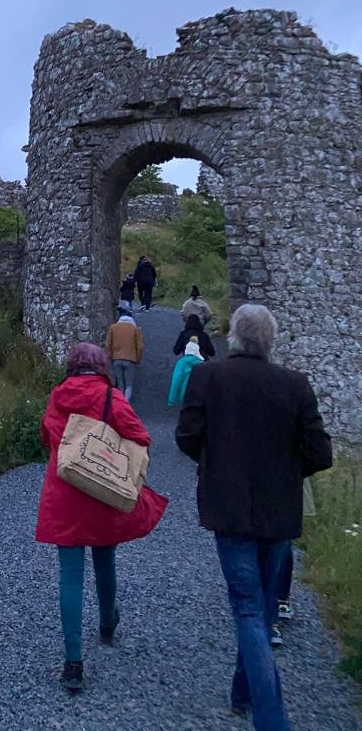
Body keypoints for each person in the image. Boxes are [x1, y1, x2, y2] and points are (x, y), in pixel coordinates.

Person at [176, 304, 332, 730]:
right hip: (278, 512)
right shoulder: (295, 385)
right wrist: (286, 472)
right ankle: (244, 693)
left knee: (248, 609)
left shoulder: (208, 377)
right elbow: (320, 453)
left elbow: (186, 436)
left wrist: (216, 463)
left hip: (228, 509)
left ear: (234, 337)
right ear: (270, 339)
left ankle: (270, 718)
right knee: (261, 606)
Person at [36, 343, 167, 693]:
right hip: (102, 491)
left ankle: (73, 663)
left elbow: (47, 437)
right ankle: (108, 623)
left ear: (72, 366)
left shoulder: (57, 397)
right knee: (105, 558)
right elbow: (141, 438)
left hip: (65, 494)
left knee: (70, 576)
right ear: (101, 366)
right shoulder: (111, 397)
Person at [105, 309, 143, 402]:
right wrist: (137, 359)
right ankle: (126, 404)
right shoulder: (135, 329)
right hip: (130, 360)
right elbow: (140, 347)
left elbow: (107, 345)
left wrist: (110, 357)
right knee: (129, 385)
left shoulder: (113, 328)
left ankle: (119, 403)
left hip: (116, 359)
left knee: (120, 384)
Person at [167, 336, 204, 407]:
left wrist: (171, 400)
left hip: (185, 395)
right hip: (199, 396)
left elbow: (176, 379)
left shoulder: (181, 362)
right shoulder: (202, 364)